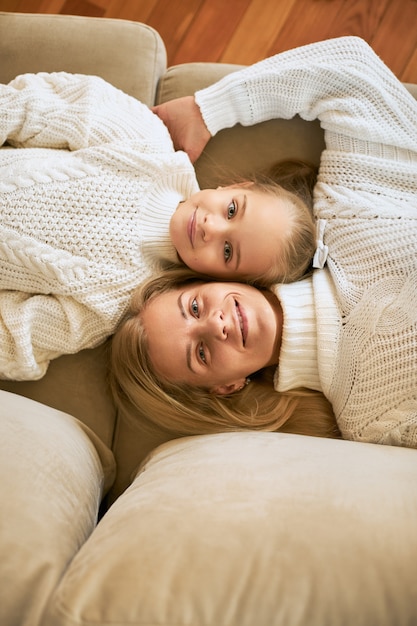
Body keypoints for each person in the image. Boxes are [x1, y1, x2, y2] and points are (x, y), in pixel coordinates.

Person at [111, 36, 417, 449]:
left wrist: (207, 110)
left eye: (196, 306)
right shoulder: (368, 425)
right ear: (228, 387)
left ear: (209, 277)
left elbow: (353, 69)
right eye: (201, 353)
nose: (215, 325)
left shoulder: (349, 210)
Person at [0, 73, 315, 381]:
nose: (211, 227)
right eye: (232, 210)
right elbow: (39, 107)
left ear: (221, 277)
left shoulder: (119, 302)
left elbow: (17, 339)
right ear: (237, 186)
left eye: (228, 251)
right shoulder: (147, 143)